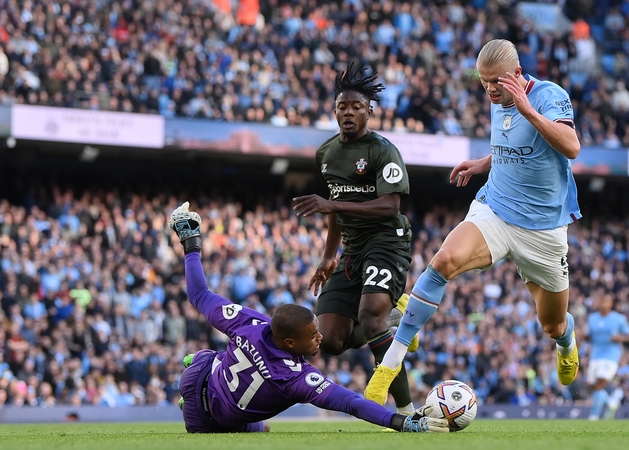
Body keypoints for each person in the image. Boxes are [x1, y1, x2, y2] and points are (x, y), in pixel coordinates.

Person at [365, 38, 583, 404]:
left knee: (552, 324)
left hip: (543, 228)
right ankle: (388, 366)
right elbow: (513, 146)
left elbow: (571, 146)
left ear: (517, 73)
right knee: (444, 260)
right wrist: (485, 163)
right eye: (484, 84)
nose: (491, 91)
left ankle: (567, 341)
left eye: (497, 82)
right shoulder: (496, 99)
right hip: (495, 209)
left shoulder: (547, 95)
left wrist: (528, 109)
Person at [168, 202, 448, 434]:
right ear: (289, 342)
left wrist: (191, 244)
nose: (320, 338)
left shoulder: (250, 323)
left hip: (199, 374)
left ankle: (198, 367)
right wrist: (402, 422)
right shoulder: (294, 378)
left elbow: (199, 295)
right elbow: (350, 402)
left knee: (212, 360)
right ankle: (194, 389)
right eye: (313, 336)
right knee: (259, 430)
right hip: (207, 420)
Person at [291, 62, 417, 416]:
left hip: (387, 240)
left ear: (369, 112)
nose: (348, 112)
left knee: (370, 317)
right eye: (342, 107)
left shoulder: (382, 151)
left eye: (356, 107)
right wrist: (329, 255)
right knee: (327, 340)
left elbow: (391, 207)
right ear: (334, 112)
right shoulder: (326, 153)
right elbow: (335, 212)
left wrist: (330, 203)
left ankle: (406, 412)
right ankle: (395, 316)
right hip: (352, 248)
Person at [586, 292, 629, 420]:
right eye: (602, 301)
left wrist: (620, 338)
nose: (603, 303)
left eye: (606, 301)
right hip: (595, 355)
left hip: (610, 356)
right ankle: (610, 403)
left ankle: (594, 416)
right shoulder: (592, 318)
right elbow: (589, 335)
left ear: (611, 304)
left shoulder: (618, 319)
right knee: (592, 385)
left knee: (600, 382)